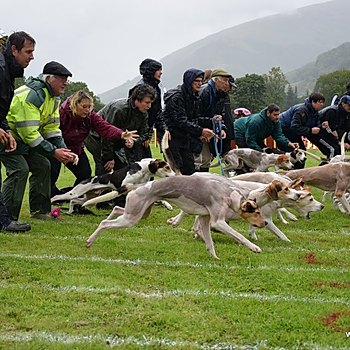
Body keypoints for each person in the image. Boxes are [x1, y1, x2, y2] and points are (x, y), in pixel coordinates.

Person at [0, 61, 78, 221]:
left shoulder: (52, 98)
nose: (66, 83)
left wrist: (64, 151)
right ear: (49, 79)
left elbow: (52, 129)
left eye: (67, 79)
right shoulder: (34, 95)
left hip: (23, 140)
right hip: (7, 138)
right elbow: (29, 133)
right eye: (62, 79)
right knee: (19, 170)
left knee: (43, 166)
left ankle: (39, 212)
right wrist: (54, 152)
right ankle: (6, 218)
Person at [50, 90, 139, 197]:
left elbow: (104, 127)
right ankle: (46, 203)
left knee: (84, 174)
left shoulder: (90, 116)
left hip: (76, 149)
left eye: (89, 107)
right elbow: (51, 132)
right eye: (84, 107)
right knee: (51, 176)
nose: (87, 110)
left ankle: (75, 201)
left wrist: (121, 134)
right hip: (56, 148)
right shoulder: (61, 114)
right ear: (74, 104)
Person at [0, 31, 35, 232]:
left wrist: (6, 130)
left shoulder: (8, 71)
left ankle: (3, 221)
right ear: (13, 50)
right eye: (28, 52)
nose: (32, 57)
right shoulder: (1, 68)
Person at [86, 84, 155, 174]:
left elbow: (143, 134)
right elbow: (107, 133)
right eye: (147, 103)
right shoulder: (119, 109)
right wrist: (109, 158)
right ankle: (99, 187)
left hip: (117, 141)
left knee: (123, 170)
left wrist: (133, 142)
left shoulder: (144, 114)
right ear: (137, 100)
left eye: (151, 103)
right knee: (104, 169)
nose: (149, 106)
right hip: (97, 139)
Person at [161, 68, 214, 175]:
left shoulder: (194, 97)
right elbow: (181, 121)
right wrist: (200, 131)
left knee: (189, 168)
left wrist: (213, 122)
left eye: (201, 81)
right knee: (175, 170)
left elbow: (194, 118)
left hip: (186, 139)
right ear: (189, 81)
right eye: (197, 81)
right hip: (173, 139)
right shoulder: (176, 97)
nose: (200, 84)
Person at [280, 92, 340, 165]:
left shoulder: (315, 112)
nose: (322, 104)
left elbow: (315, 125)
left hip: (293, 131)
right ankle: (295, 174)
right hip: (285, 128)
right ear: (313, 102)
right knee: (299, 152)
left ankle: (297, 173)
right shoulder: (301, 110)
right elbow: (295, 126)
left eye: (322, 102)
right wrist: (310, 130)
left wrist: (321, 126)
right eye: (319, 102)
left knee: (301, 152)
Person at [128, 58, 168, 157]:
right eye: (158, 70)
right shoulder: (139, 88)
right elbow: (136, 114)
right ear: (151, 71)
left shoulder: (156, 88)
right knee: (140, 163)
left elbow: (157, 112)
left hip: (145, 131)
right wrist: (144, 135)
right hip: (136, 133)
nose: (161, 72)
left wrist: (163, 128)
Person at [195, 69, 229, 172]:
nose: (227, 84)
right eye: (225, 80)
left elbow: (219, 115)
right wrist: (201, 131)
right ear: (216, 80)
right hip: (196, 132)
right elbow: (194, 116)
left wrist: (221, 128)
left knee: (206, 160)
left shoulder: (222, 94)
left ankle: (203, 186)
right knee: (197, 161)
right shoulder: (204, 92)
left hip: (208, 133)